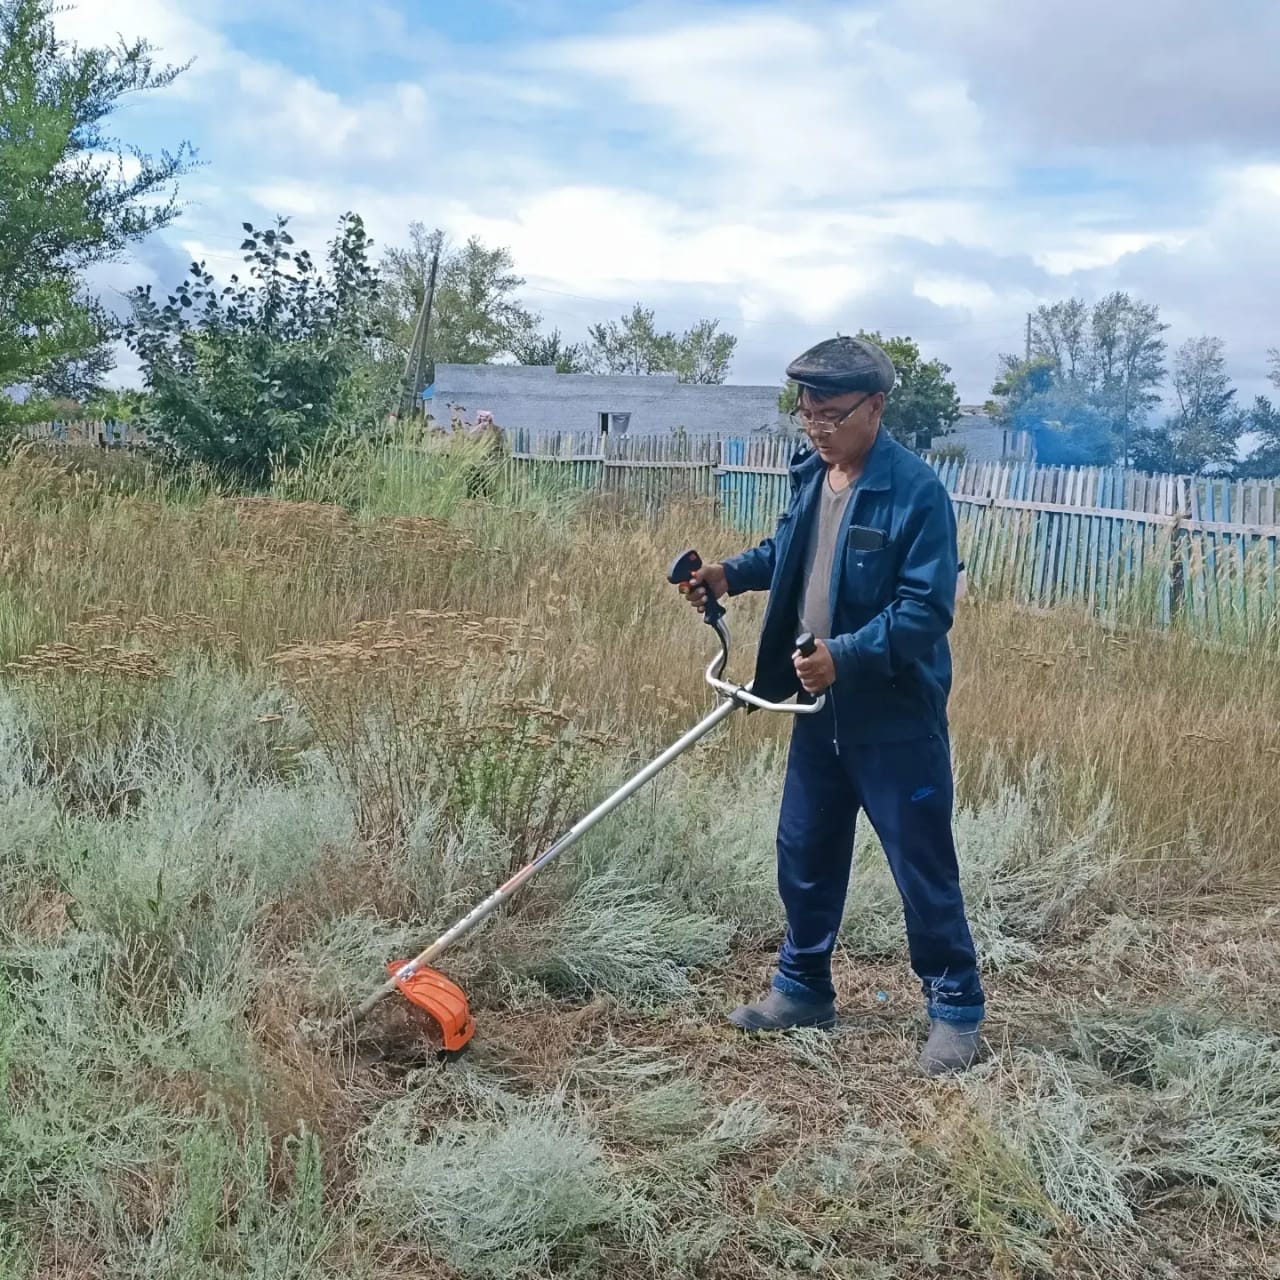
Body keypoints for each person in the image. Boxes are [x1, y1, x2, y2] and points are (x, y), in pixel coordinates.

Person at [680, 335, 985, 1075]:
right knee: (806, 851)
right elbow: (789, 553)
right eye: (806, 413)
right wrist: (727, 575)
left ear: (875, 407)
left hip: (893, 717)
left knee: (920, 862)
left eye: (831, 415)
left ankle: (955, 1009)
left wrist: (843, 657)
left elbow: (924, 611)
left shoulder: (915, 494)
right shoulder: (813, 476)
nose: (816, 428)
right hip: (817, 709)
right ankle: (803, 988)